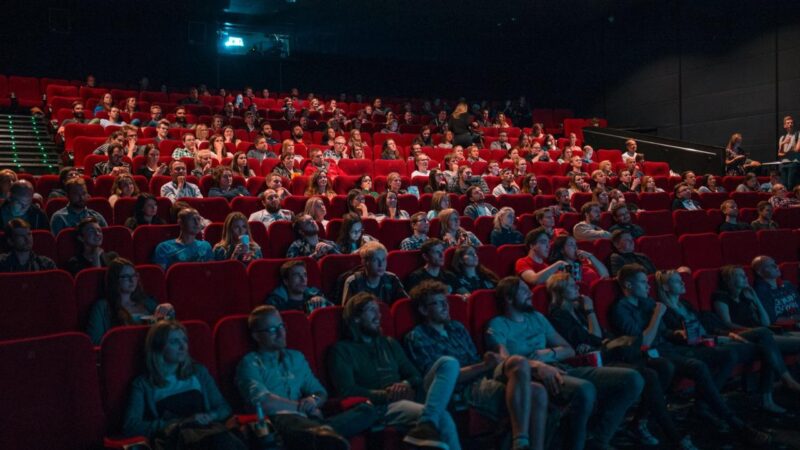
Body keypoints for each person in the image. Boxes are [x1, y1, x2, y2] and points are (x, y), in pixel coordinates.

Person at [610, 264, 771, 446]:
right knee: (697, 366)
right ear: (628, 285)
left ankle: (704, 408)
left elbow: (664, 333)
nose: (648, 286)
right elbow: (644, 342)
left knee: (726, 355)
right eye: (642, 282)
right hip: (650, 355)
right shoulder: (620, 309)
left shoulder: (647, 303)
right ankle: (736, 424)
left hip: (669, 348)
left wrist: (679, 334)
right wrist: (657, 315)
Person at [487, 276, 644, 450]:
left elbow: (568, 350)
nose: (530, 293)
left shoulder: (537, 317)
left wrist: (547, 353)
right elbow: (504, 361)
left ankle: (598, 440)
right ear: (509, 298)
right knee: (585, 389)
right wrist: (537, 365)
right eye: (523, 291)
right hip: (533, 376)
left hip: (561, 367)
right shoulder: (498, 324)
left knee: (632, 379)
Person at [547, 272, 698, 449]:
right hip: (595, 360)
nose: (577, 287)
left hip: (610, 353)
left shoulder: (577, 310)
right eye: (571, 285)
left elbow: (599, 336)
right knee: (649, 375)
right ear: (560, 290)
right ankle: (673, 435)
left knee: (663, 366)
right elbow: (594, 337)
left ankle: (640, 421)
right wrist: (590, 311)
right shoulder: (559, 315)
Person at [404, 280, 547, 450]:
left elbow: (475, 359)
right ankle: (520, 442)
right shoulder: (417, 336)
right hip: (464, 388)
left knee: (520, 364)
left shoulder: (456, 327)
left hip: (482, 375)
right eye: (438, 303)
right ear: (423, 310)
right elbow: (441, 380)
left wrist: (488, 360)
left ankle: (524, 443)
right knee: (536, 392)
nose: (445, 307)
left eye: (446, 302)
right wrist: (484, 366)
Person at [328, 292, 462, 450]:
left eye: (378, 310)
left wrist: (405, 384)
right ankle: (427, 422)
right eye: (371, 310)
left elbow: (415, 376)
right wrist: (387, 394)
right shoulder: (342, 350)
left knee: (449, 363)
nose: (378, 316)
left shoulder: (389, 343)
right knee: (443, 417)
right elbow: (347, 390)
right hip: (383, 405)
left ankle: (426, 423)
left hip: (411, 393)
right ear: (356, 318)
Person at [656, 269, 800, 414]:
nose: (682, 283)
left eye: (681, 279)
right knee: (765, 340)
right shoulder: (663, 310)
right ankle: (773, 392)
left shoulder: (685, 304)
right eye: (676, 281)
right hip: (703, 346)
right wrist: (720, 337)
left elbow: (708, 327)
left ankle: (772, 394)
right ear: (666, 287)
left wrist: (728, 334)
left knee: (766, 343)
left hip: (715, 338)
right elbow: (674, 337)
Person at [236, 306, 374, 450]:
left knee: (367, 410)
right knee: (288, 421)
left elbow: (319, 392)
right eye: (272, 330)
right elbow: (262, 402)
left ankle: (324, 433)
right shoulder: (250, 363)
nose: (280, 333)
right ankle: (324, 435)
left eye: (281, 326)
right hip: (279, 421)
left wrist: (313, 400)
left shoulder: (296, 358)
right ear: (256, 336)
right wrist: (300, 408)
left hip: (307, 420)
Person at [122, 321, 247, 450]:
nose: (183, 346)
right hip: (176, 440)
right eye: (174, 342)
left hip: (209, 433)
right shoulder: (143, 384)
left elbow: (224, 408)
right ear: (158, 347)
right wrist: (178, 423)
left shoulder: (198, 372)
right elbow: (131, 426)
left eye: (184, 340)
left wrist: (210, 416)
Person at [85, 258, 173, 345]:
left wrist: (167, 309)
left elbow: (163, 328)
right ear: (115, 280)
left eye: (134, 275)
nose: (132, 280)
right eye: (126, 276)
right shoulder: (102, 307)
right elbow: (95, 341)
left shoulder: (147, 302)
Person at [341, 241, 407, 305]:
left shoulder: (392, 279)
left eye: (383, 260)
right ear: (364, 262)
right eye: (375, 260)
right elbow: (348, 310)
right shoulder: (353, 282)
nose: (381, 264)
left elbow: (404, 304)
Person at [264, 261, 332, 313]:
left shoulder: (316, 298)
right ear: (286, 281)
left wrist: (322, 300)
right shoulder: (278, 305)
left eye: (305, 275)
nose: (303, 279)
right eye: (296, 275)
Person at [752, 255, 800, 324]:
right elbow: (772, 319)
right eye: (770, 265)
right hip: (785, 327)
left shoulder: (787, 284)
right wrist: (794, 319)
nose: (776, 266)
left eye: (775, 263)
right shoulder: (760, 292)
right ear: (759, 272)